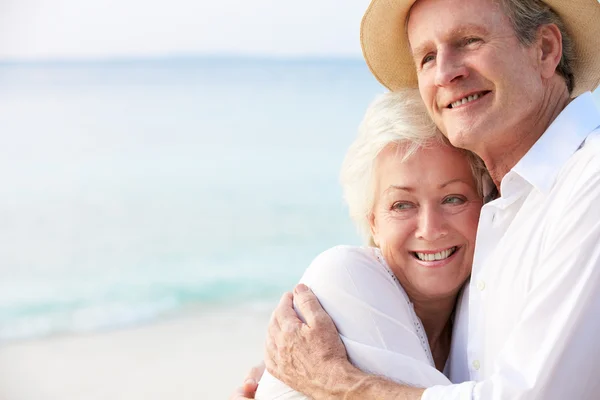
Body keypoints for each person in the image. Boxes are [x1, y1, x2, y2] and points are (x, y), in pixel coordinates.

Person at [236, 0, 600, 399]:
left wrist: (337, 383)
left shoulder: (589, 180)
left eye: (469, 40)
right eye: (427, 57)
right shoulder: (498, 211)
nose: (445, 72)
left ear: (545, 49)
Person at [253, 90, 488, 399]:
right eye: (402, 205)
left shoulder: (485, 302)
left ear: (486, 203)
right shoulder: (344, 273)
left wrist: (336, 381)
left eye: (453, 198)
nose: (430, 230)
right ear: (373, 220)